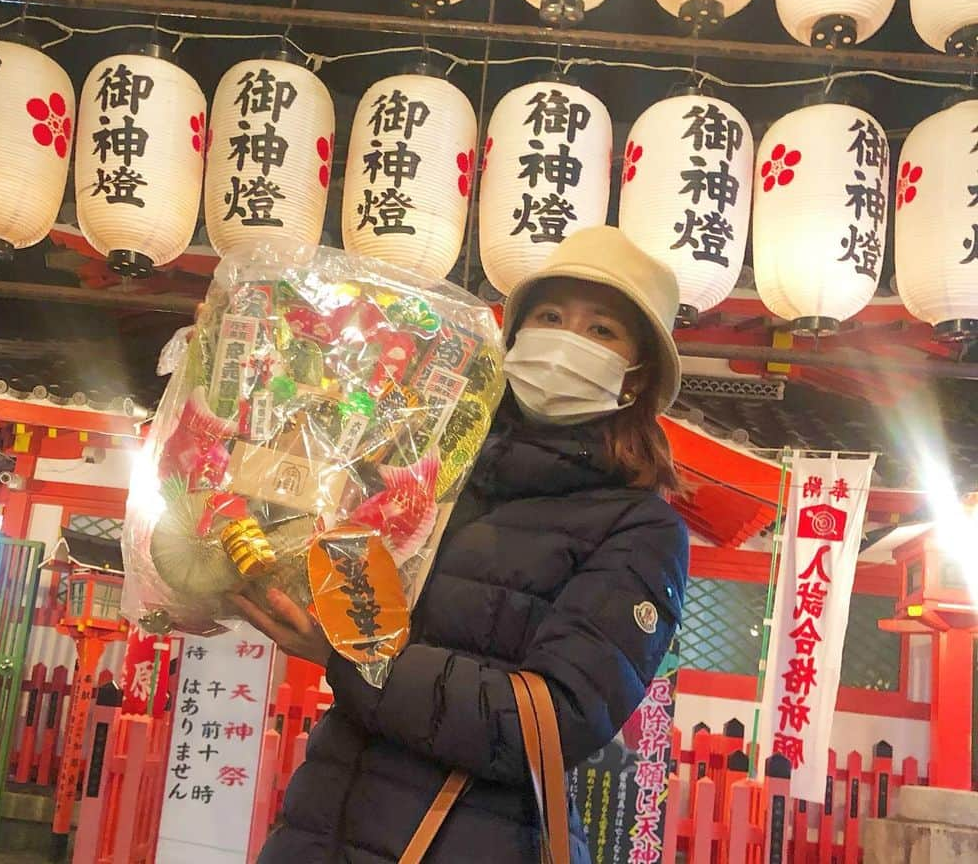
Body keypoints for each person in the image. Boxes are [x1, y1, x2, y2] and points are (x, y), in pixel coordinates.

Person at [233, 226, 690, 863]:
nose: (566, 341)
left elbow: (552, 724)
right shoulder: (438, 463)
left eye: (602, 330)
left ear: (636, 377)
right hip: (322, 822)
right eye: (551, 316)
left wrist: (362, 661)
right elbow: (323, 548)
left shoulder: (641, 530)